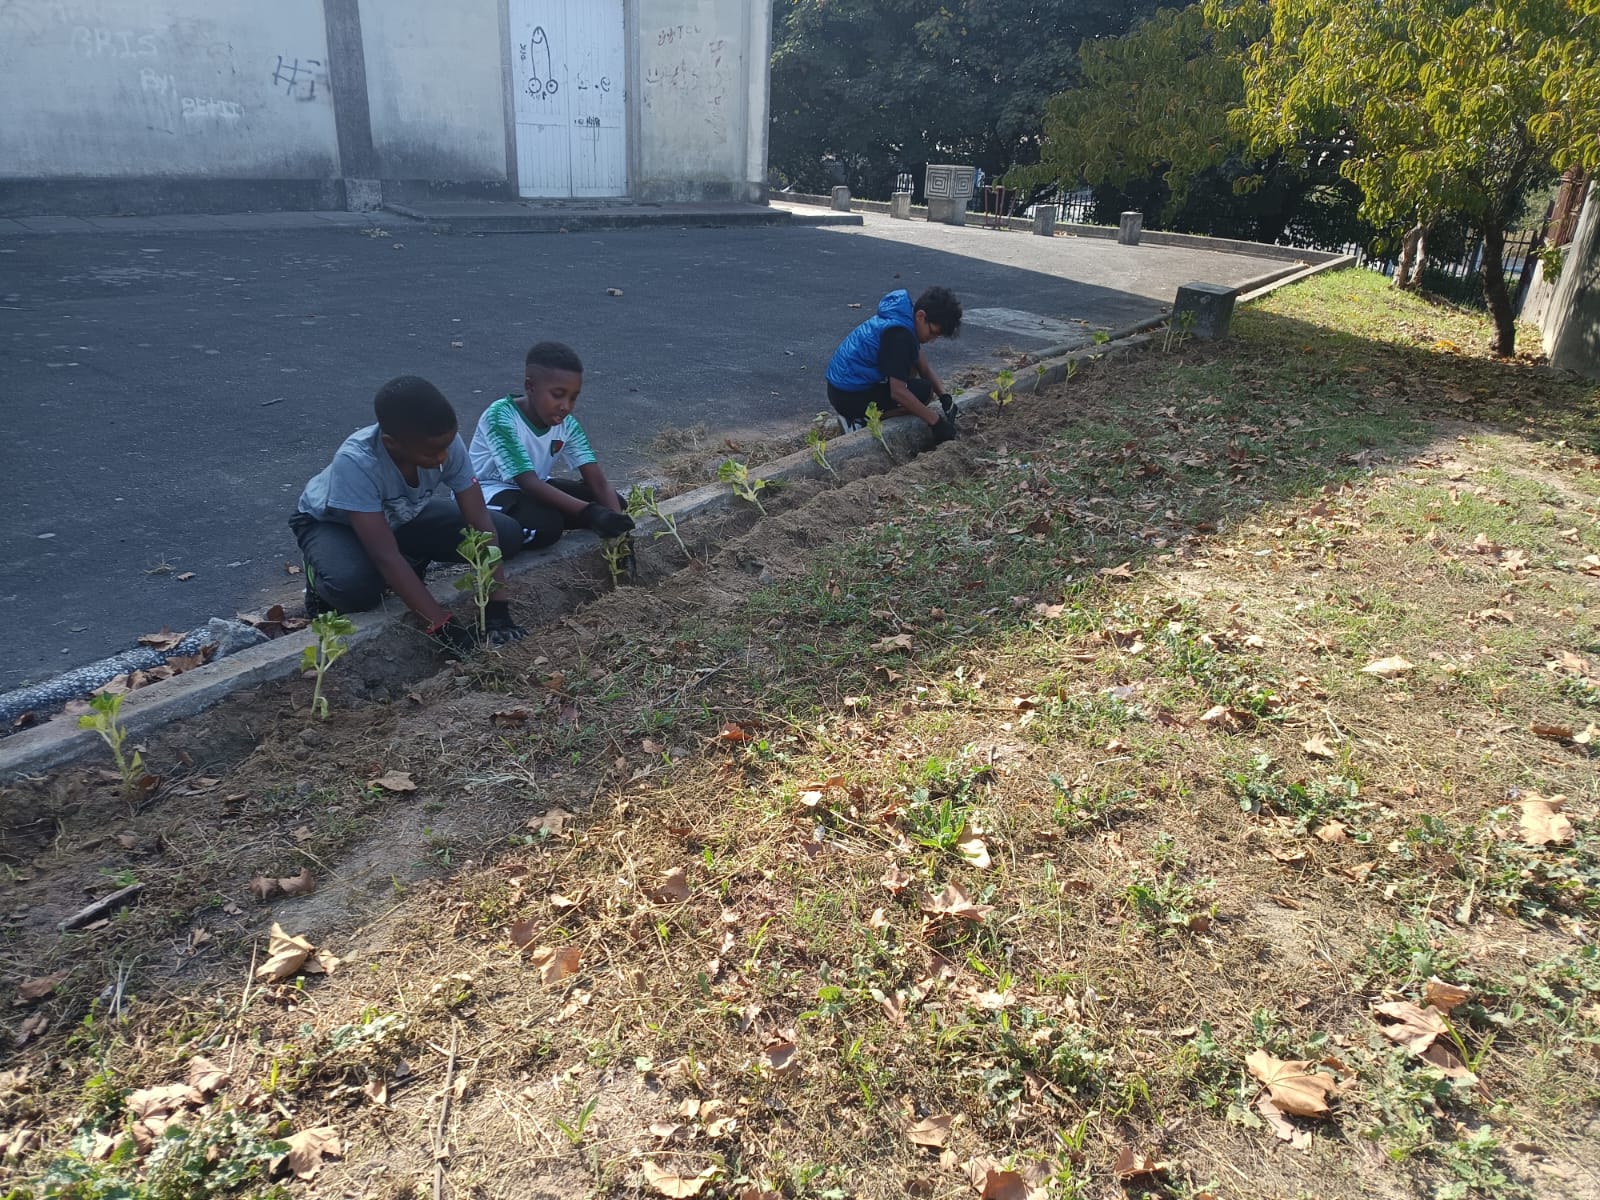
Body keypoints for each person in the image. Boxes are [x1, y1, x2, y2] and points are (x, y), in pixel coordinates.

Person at [291, 375, 525, 653]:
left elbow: (480, 521)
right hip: (332, 523)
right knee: (358, 590)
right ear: (391, 444)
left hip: (400, 516)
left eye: (446, 447)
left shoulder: (443, 442)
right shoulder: (357, 462)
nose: (442, 458)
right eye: (431, 454)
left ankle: (411, 558)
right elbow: (385, 555)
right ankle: (317, 576)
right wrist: (441, 626)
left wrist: (498, 605)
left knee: (508, 535)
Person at [468, 341, 634, 551]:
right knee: (548, 528)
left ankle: (544, 515)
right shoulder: (501, 417)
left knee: (615, 505)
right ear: (530, 386)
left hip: (532, 488)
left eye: (573, 398)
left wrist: (620, 532)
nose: (566, 406)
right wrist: (589, 513)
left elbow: (598, 482)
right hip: (486, 493)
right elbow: (527, 482)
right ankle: (481, 531)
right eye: (557, 395)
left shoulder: (568, 425)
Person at [825, 286, 961, 442]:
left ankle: (858, 416)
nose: (932, 340)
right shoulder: (899, 336)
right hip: (849, 396)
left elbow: (923, 366)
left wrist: (944, 396)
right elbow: (898, 393)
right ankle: (859, 422)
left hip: (842, 388)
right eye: (933, 333)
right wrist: (936, 422)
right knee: (923, 394)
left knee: (916, 373)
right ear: (921, 316)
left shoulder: (903, 317)